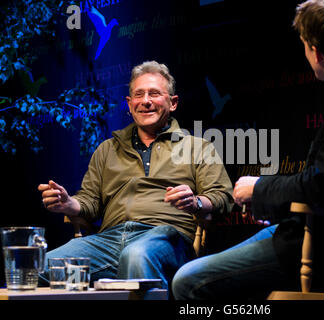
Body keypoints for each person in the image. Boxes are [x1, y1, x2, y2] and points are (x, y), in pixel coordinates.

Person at [172, 0, 324, 299]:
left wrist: (259, 188)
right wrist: (271, 199)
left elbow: (321, 186)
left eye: (304, 44)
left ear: (316, 52)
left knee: (187, 280)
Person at [38, 61, 234, 290]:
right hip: (108, 241)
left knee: (136, 256)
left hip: (166, 238)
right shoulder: (107, 149)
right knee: (39, 268)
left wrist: (196, 202)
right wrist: (69, 203)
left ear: (173, 103)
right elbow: (90, 202)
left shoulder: (197, 147)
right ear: (130, 105)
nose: (146, 101)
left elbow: (223, 197)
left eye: (154, 94)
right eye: (138, 95)